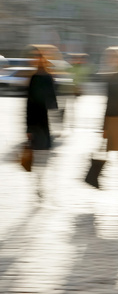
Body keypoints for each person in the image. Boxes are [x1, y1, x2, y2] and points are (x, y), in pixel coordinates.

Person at [26, 52, 58, 198]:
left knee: (43, 152)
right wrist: (27, 127)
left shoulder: (46, 77)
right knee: (38, 152)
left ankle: (40, 180)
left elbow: (52, 101)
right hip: (35, 120)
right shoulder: (35, 78)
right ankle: (38, 181)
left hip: (44, 120)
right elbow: (29, 102)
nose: (37, 61)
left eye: (40, 59)